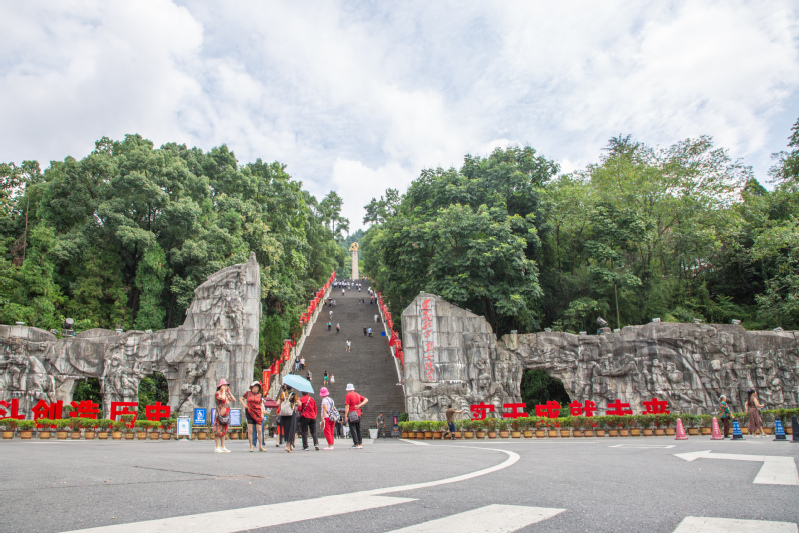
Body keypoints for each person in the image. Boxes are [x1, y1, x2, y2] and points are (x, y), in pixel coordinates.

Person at [240, 381, 267, 452]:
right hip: (249, 412)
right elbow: (241, 399)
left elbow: (261, 404)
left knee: (259, 430)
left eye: (257, 387)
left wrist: (262, 414)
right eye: (255, 387)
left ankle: (261, 446)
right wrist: (244, 405)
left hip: (257, 412)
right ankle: (251, 446)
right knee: (250, 430)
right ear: (252, 387)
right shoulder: (248, 393)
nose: (256, 388)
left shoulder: (260, 395)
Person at [213, 379, 236, 453]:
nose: (226, 387)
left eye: (226, 386)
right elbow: (222, 398)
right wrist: (223, 391)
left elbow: (233, 399)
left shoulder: (225, 394)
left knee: (223, 431)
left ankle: (223, 446)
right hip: (219, 415)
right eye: (224, 386)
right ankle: (217, 446)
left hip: (226, 415)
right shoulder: (217, 393)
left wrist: (229, 392)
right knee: (217, 431)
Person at [344, 383, 368, 449]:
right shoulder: (357, 395)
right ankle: (360, 444)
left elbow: (347, 406)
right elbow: (366, 399)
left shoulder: (348, 395)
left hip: (351, 414)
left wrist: (346, 416)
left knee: (352, 429)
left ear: (347, 390)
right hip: (358, 414)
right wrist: (359, 405)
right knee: (358, 428)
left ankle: (356, 443)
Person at [277, 385, 298, 452]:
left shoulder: (282, 394)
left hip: (284, 413)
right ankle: (287, 445)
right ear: (292, 388)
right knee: (291, 429)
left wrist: (283, 402)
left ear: (285, 387)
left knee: (286, 429)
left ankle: (290, 444)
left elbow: (277, 403)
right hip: (291, 412)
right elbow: (300, 404)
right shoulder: (294, 395)